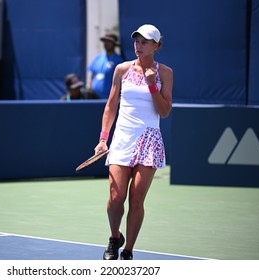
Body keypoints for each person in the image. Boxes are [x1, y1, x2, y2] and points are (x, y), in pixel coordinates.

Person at [94, 24, 173, 260]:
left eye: (145, 42)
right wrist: (103, 139)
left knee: (136, 199)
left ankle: (128, 251)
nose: (139, 45)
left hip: (149, 140)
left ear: (157, 46)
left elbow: (165, 111)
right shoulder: (122, 69)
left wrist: (151, 85)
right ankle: (114, 236)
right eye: (137, 41)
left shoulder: (165, 73)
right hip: (122, 138)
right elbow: (111, 105)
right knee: (116, 197)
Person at [87, 33, 124, 99]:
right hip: (94, 97)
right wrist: (89, 86)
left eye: (109, 41)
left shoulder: (118, 61)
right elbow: (92, 74)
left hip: (109, 98)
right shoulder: (98, 57)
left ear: (114, 44)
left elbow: (121, 80)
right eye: (105, 41)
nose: (106, 43)